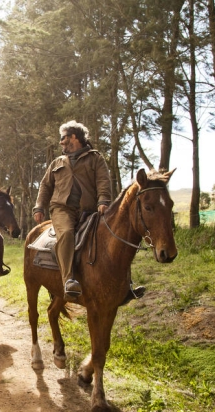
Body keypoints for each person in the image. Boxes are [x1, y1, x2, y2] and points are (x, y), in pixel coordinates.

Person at [32, 121, 145, 304]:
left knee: (113, 238)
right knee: (67, 233)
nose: (61, 143)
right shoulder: (57, 162)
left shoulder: (95, 158)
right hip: (62, 209)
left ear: (74, 137)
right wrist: (39, 207)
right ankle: (68, 279)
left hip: (90, 210)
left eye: (63, 138)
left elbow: (103, 181)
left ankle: (126, 285)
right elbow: (45, 186)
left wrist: (103, 201)